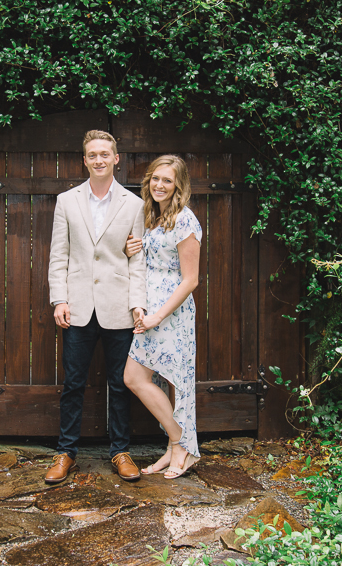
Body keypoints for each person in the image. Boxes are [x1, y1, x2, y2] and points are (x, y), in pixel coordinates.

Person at [45, 130, 147, 484]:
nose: (99, 159)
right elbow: (59, 255)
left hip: (119, 307)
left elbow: (137, 260)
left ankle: (120, 451)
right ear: (85, 160)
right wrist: (60, 298)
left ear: (116, 158)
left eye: (105, 154)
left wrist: (138, 303)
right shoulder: (66, 201)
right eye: (93, 154)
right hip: (78, 307)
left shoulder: (134, 205)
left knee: (120, 384)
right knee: (73, 383)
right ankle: (66, 453)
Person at [123, 154, 202, 479]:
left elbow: (190, 279)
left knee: (148, 378)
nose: (159, 185)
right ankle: (176, 446)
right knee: (138, 378)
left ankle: (181, 445)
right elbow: (147, 260)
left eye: (167, 180)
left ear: (178, 185)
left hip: (171, 312)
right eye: (155, 178)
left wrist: (157, 316)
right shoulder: (151, 216)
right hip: (148, 308)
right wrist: (132, 251)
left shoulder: (185, 220)